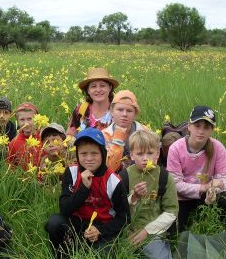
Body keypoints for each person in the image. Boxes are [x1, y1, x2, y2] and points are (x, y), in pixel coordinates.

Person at [45, 127, 130, 256]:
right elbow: (64, 209)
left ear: (103, 154)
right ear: (78, 155)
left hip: (102, 226)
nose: (89, 158)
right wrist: (84, 188)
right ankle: (62, 254)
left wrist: (100, 230)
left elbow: (124, 217)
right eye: (83, 154)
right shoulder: (71, 172)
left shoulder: (114, 181)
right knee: (54, 223)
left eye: (94, 153)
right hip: (77, 224)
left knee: (100, 255)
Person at [166, 105, 226, 232]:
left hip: (208, 195)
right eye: (197, 126)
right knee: (174, 230)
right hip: (182, 198)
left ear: (212, 129)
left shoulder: (217, 147)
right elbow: (175, 184)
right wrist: (203, 187)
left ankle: (219, 233)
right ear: (189, 126)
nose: (201, 131)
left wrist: (215, 188)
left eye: (206, 127)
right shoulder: (175, 148)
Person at [119, 130, 178, 259]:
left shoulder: (164, 177)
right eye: (140, 153)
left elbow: (171, 211)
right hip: (127, 231)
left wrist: (147, 231)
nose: (145, 158)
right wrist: (133, 197)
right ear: (132, 155)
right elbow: (116, 208)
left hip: (153, 232)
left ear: (157, 154)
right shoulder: (124, 176)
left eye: (150, 153)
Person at [102, 90, 148, 172]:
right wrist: (118, 138)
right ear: (112, 111)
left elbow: (152, 162)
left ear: (135, 114)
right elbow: (109, 169)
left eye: (129, 111)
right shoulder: (104, 135)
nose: (124, 114)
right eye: (120, 110)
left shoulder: (146, 132)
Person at [66, 67, 119, 136]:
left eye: (102, 86)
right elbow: (70, 135)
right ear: (88, 90)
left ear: (110, 88)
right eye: (93, 86)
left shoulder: (118, 110)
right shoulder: (81, 109)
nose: (98, 90)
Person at [7, 102, 42, 170]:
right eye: (22, 120)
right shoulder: (14, 142)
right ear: (17, 121)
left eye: (29, 119)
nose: (26, 123)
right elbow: (11, 168)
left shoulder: (44, 137)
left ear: (37, 119)